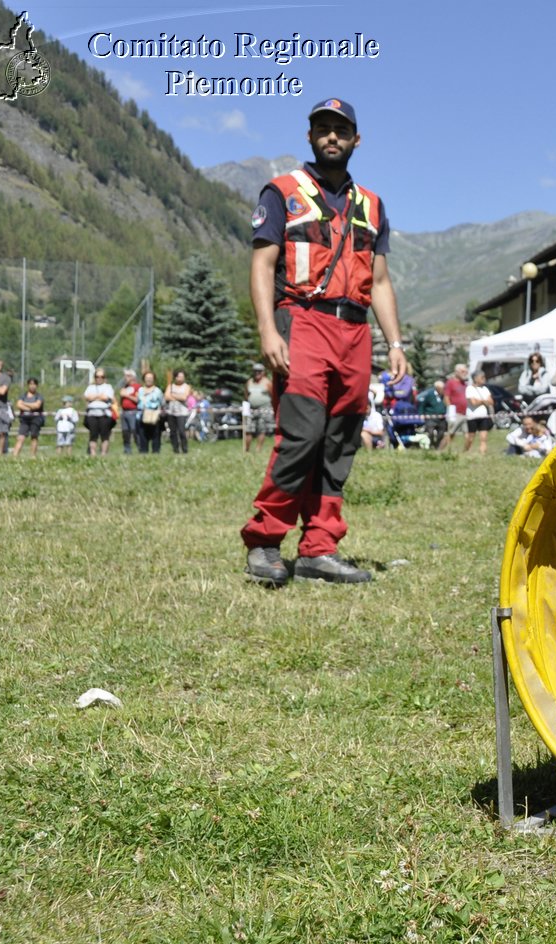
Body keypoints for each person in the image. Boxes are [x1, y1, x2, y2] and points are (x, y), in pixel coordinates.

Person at [241, 97, 407, 586]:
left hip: (355, 332)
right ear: (310, 137)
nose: (332, 136)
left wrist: (395, 342)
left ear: (356, 140)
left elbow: (379, 281)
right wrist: (268, 329)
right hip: (302, 321)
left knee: (340, 441)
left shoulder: (372, 206)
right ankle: (266, 542)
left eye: (341, 129)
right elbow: (261, 266)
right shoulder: (282, 192)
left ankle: (318, 549)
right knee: (302, 435)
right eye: (323, 129)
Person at [81, 368, 116, 457]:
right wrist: (99, 397)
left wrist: (95, 397)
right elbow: (87, 397)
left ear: (104, 378)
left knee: (105, 435)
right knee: (93, 435)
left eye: (101, 376)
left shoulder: (108, 387)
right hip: (92, 414)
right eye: (97, 376)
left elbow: (107, 397)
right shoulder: (90, 387)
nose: (99, 378)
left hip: (104, 414)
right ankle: (93, 454)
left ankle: (103, 454)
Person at [243, 363, 275, 454]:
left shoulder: (267, 382)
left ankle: (258, 449)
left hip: (264, 409)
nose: (257, 373)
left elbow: (273, 395)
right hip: (251, 409)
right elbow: (246, 395)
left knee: (261, 429)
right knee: (248, 429)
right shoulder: (249, 382)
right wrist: (246, 409)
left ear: (263, 372)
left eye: (259, 371)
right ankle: (247, 450)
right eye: (255, 371)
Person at [11, 377, 44, 457]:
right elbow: (19, 404)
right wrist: (30, 408)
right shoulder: (23, 395)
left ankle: (33, 456)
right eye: (31, 384)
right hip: (24, 419)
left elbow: (37, 405)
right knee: (20, 437)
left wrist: (25, 404)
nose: (32, 386)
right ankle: (15, 456)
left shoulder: (39, 396)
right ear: (28, 385)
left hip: (36, 419)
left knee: (34, 437)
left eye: (34, 384)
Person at [440, 362, 469, 450]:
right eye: (463, 371)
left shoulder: (464, 384)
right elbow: (446, 398)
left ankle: (466, 453)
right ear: (457, 372)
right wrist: (450, 410)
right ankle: (441, 450)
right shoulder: (450, 383)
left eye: (466, 371)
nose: (465, 373)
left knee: (468, 435)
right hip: (455, 413)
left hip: (465, 413)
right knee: (450, 434)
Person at [464, 369, 493, 454]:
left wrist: (480, 401)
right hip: (472, 417)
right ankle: (466, 451)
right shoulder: (469, 389)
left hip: (483, 416)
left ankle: (482, 453)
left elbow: (491, 402)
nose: (484, 379)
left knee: (484, 437)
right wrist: (484, 401)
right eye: (482, 377)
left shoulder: (485, 389)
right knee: (471, 437)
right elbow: (473, 403)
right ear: (475, 378)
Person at [163, 370, 192, 454]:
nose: (180, 378)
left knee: (182, 431)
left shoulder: (186, 386)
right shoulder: (170, 386)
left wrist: (173, 395)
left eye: (182, 376)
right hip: (171, 412)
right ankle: (175, 450)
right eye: (179, 376)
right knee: (173, 432)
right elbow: (166, 396)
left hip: (182, 412)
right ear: (175, 377)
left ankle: (185, 449)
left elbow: (184, 397)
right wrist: (178, 396)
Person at [135, 370, 164, 454]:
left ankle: (156, 452)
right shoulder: (140, 390)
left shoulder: (157, 391)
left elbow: (162, 402)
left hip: (153, 416)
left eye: (151, 378)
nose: (149, 380)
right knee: (142, 435)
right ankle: (143, 452)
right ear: (144, 379)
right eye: (147, 378)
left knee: (155, 435)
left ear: (154, 379)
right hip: (141, 415)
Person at [419, 377, 447, 448]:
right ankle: (431, 443)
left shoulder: (444, 395)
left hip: (441, 417)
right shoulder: (429, 394)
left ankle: (437, 445)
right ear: (437, 388)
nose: (443, 390)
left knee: (441, 433)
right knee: (430, 432)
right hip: (430, 417)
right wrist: (421, 414)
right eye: (441, 388)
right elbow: (423, 405)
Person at [117, 368, 140, 454]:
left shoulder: (137, 387)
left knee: (135, 431)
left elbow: (138, 400)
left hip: (133, 412)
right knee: (125, 432)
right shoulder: (125, 387)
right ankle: (127, 450)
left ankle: (140, 448)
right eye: (125, 376)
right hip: (124, 412)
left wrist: (126, 395)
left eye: (128, 376)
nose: (126, 378)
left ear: (133, 377)